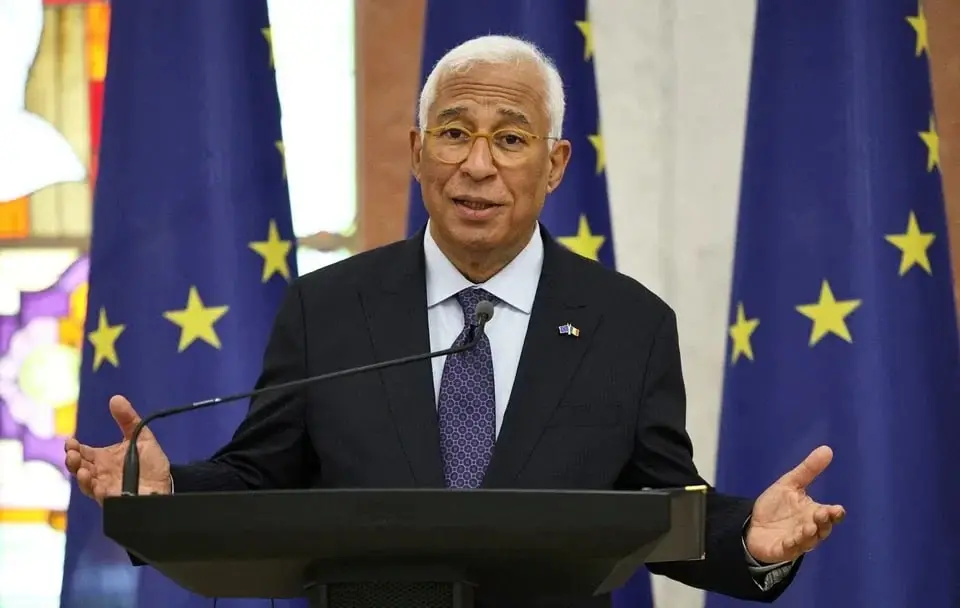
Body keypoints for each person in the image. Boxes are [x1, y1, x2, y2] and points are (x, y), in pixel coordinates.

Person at [65, 35, 844, 607]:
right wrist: (170, 489)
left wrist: (748, 538)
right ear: (417, 150)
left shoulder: (626, 324)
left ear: (555, 164)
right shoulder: (328, 308)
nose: (477, 164)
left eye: (510, 138)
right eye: (453, 132)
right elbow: (262, 475)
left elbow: (660, 504)